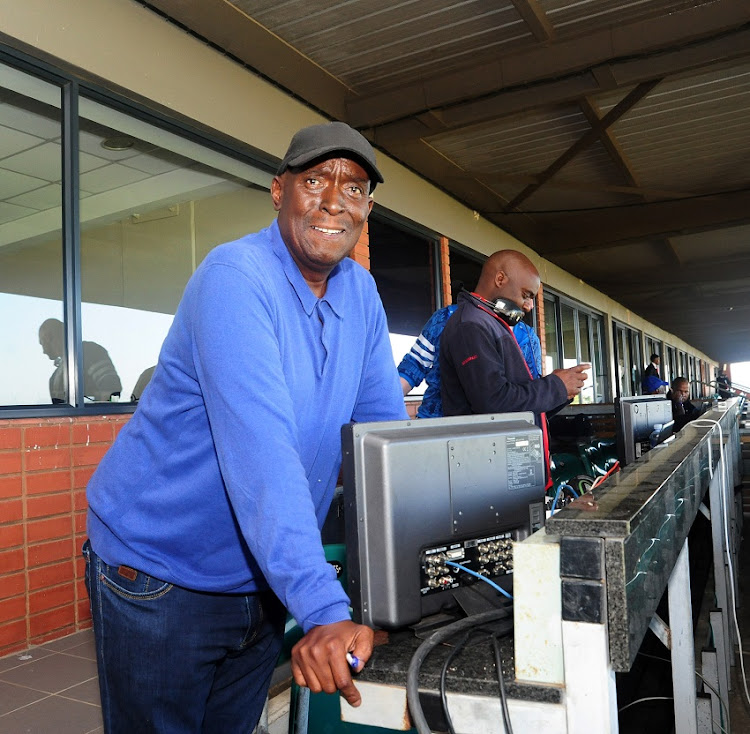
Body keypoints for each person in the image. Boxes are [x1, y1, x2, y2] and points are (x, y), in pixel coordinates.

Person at [83, 121, 408, 733]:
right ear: (278, 191)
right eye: (315, 181)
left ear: (367, 208)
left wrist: (397, 590)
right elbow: (263, 455)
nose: (334, 201)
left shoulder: (361, 292)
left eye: (355, 188)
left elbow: (381, 440)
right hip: (158, 569)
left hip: (259, 577)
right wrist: (324, 610)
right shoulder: (235, 276)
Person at [439, 250, 589, 487]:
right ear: (500, 279)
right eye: (526, 295)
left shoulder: (489, 322)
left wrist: (562, 392)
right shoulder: (471, 325)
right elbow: (494, 403)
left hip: (508, 473)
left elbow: (518, 405)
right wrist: (556, 386)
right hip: (490, 478)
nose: (529, 306)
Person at [398, 300, 542, 419]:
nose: (530, 306)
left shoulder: (528, 338)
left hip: (497, 434)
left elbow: (529, 392)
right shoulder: (445, 318)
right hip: (434, 426)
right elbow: (414, 366)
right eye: (525, 294)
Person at [38, 318, 122, 403]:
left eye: (42, 343)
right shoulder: (54, 378)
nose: (43, 351)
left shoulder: (88, 351)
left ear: (48, 338)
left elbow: (111, 387)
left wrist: (93, 413)